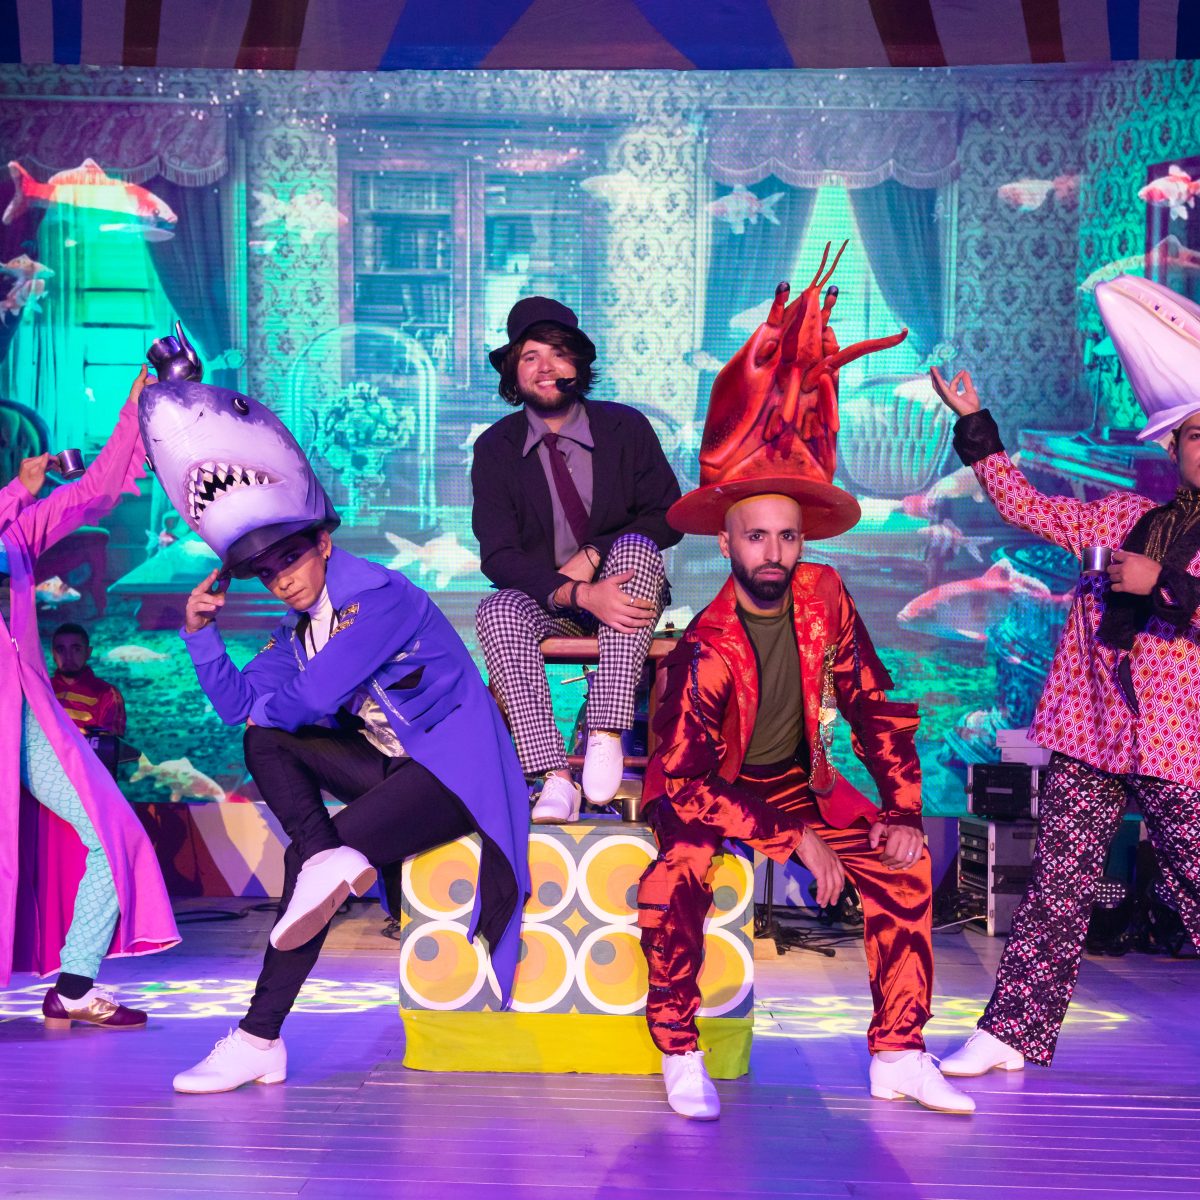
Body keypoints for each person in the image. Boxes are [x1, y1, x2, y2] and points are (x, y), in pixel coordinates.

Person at [635, 256, 973, 1120]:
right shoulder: (703, 650)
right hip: (707, 793)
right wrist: (795, 841)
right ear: (728, 543)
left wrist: (900, 809)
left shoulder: (824, 595)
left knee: (905, 866)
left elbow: (875, 706)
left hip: (798, 784)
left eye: (788, 537)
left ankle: (899, 1053)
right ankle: (679, 1047)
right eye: (757, 537)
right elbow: (687, 783)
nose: (775, 553)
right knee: (678, 874)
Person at [930, 274, 1200, 1078]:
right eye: (1199, 435)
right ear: (1172, 445)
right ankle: (1010, 1033)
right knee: (1058, 882)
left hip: (1175, 742)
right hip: (1091, 727)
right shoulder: (1120, 517)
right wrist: (975, 422)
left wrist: (1166, 587)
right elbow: (1027, 507)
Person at [172, 522, 531, 1093]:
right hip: (392, 766)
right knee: (266, 742)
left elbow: (313, 695)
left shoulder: (382, 596)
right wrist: (201, 634)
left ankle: (258, 1039)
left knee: (297, 853)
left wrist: (267, 708)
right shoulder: (296, 633)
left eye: (291, 559)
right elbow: (240, 706)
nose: (282, 580)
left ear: (324, 545)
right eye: (267, 573)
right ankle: (324, 858)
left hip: (457, 771)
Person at [0, 370, 178, 1030]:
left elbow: (96, 491)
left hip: (23, 719)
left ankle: (73, 985)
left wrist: (134, 409)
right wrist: (17, 491)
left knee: (112, 833)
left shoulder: (17, 538)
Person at [471, 297, 682, 820]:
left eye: (558, 353)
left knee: (636, 546)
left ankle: (606, 731)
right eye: (530, 356)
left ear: (579, 365)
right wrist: (577, 592)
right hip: (552, 600)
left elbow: (668, 515)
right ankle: (554, 776)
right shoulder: (495, 448)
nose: (545, 367)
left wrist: (595, 554)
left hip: (627, 592)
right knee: (495, 608)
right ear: (513, 372)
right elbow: (498, 555)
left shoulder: (625, 428)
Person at [50, 622, 127, 736]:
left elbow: (110, 741)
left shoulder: (107, 693)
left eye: (76, 649)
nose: (68, 656)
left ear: (88, 652)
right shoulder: (42, 690)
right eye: (61, 650)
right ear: (53, 654)